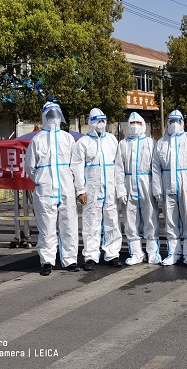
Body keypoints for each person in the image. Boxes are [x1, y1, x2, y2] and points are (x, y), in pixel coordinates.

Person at [24, 102, 79, 276]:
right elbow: (29, 167)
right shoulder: (37, 139)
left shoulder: (67, 138)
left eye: (55, 115)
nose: (53, 118)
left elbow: (75, 164)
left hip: (66, 188)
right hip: (45, 190)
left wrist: (73, 183)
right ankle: (47, 261)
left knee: (69, 225)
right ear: (44, 117)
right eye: (49, 115)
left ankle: (70, 260)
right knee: (46, 227)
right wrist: (41, 181)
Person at [71, 108, 123, 270]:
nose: (101, 124)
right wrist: (80, 190)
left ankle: (112, 254)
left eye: (103, 120)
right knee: (91, 223)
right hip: (92, 190)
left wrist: (119, 187)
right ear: (91, 122)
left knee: (112, 221)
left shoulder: (111, 140)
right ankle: (91, 256)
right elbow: (77, 167)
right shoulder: (83, 143)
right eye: (97, 121)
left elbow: (118, 165)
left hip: (110, 189)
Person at [152, 109, 187, 266]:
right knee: (170, 220)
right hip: (168, 183)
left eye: (177, 121)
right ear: (168, 123)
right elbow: (156, 167)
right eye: (172, 121)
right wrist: (157, 188)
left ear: (182, 123)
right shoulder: (162, 142)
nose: (174, 124)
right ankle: (174, 253)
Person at [115, 112, 160, 265]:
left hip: (147, 182)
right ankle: (136, 253)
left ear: (143, 125)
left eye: (138, 123)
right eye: (132, 123)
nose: (135, 126)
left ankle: (153, 252)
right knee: (130, 220)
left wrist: (156, 187)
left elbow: (156, 167)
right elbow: (118, 168)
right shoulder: (123, 144)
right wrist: (120, 189)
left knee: (151, 218)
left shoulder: (150, 143)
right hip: (129, 183)